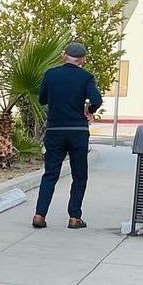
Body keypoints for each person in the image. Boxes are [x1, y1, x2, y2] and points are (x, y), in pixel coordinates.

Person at [33, 41, 103, 229]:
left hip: (55, 130)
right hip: (78, 132)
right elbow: (97, 100)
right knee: (79, 175)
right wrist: (89, 110)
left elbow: (42, 99)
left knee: (50, 174)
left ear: (64, 55)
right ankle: (74, 217)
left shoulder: (51, 74)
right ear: (83, 60)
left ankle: (39, 215)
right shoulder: (86, 77)